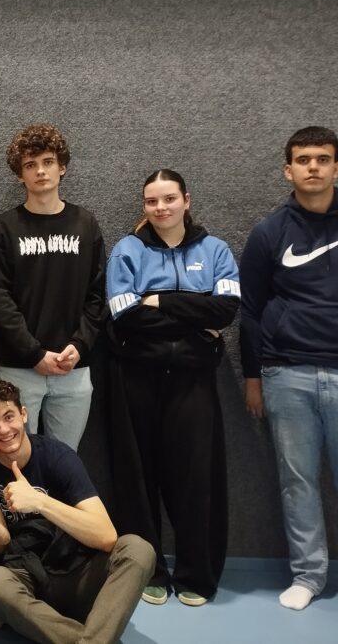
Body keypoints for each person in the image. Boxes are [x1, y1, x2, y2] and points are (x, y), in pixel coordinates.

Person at [240, 125, 338, 611]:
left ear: (337, 167)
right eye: (303, 159)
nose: (312, 167)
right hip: (286, 375)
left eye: (322, 158)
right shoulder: (269, 232)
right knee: (298, 484)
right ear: (287, 170)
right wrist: (254, 377)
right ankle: (308, 576)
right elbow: (251, 311)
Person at [105, 169, 240, 607]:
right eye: (152, 201)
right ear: (144, 206)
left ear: (186, 200)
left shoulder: (215, 250)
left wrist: (160, 299)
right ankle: (148, 572)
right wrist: (195, 317)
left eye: (169, 199)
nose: (160, 208)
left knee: (195, 479)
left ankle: (196, 575)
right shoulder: (127, 250)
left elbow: (224, 310)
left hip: (193, 383)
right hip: (137, 380)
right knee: (138, 478)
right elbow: (126, 317)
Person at [0, 378, 154, 644]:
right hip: (27, 582)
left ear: (23, 414)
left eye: (9, 416)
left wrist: (40, 502)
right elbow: (0, 543)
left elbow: (106, 536)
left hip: (76, 570)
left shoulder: (58, 457)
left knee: (138, 550)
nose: (3, 429)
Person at [0, 123, 105, 449]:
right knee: (15, 460)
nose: (40, 171)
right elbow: (0, 299)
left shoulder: (86, 224)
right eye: (30, 164)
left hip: (73, 366)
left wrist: (79, 345)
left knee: (65, 460)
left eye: (48, 162)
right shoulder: (3, 229)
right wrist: (34, 353)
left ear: (61, 167)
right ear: (19, 175)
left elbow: (96, 295)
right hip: (18, 368)